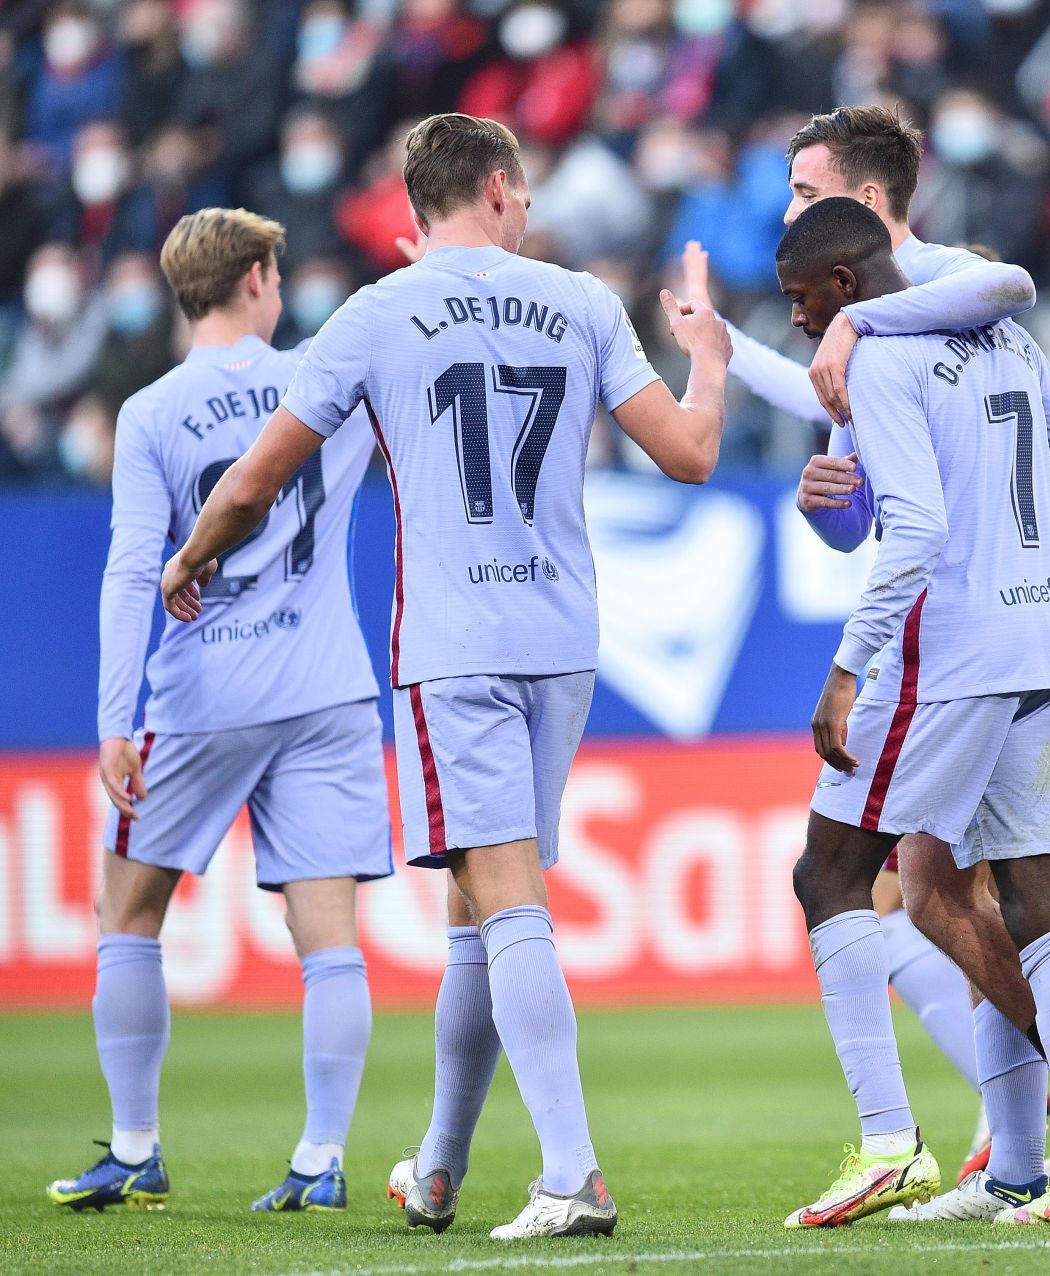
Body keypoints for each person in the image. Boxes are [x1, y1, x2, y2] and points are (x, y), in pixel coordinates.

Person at [159, 113, 732, 1241]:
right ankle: (440, 1166)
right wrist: (708, 352)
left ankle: (572, 1173)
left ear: (416, 209)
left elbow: (256, 478)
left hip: (456, 644)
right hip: (563, 639)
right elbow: (692, 454)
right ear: (505, 189)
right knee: (479, 898)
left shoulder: (376, 314)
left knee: (503, 891)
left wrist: (193, 556)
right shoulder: (577, 303)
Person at [779, 198, 1050, 1227]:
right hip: (1048, 645)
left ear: (847, 284)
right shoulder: (1011, 344)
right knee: (1036, 906)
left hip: (952, 657)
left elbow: (917, 530)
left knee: (830, 873)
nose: (803, 322)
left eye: (805, 299)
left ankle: (889, 1142)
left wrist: (847, 669)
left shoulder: (883, 363)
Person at [682, 104, 1043, 1119]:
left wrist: (857, 316)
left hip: (969, 635)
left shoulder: (931, 281)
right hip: (1001, 630)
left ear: (868, 203)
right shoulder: (857, 323)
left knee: (957, 891)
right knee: (940, 891)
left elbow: (1012, 282)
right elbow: (861, 496)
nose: (790, 208)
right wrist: (818, 495)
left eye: (806, 190)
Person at [48, 208, 390, 1215]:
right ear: (253, 276)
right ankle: (322, 1158)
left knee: (128, 911)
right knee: (329, 936)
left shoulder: (151, 410)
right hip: (329, 684)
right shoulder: (327, 376)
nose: (281, 286)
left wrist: (116, 721)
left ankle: (136, 1145)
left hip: (205, 693)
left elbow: (129, 575)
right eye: (276, 271)